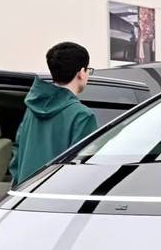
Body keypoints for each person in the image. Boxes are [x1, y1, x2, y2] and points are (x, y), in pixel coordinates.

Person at [10, 42, 98, 185]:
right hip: (57, 195)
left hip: (24, 193)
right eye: (88, 70)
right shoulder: (83, 116)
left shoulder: (31, 109)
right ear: (81, 72)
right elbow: (82, 171)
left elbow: (17, 158)